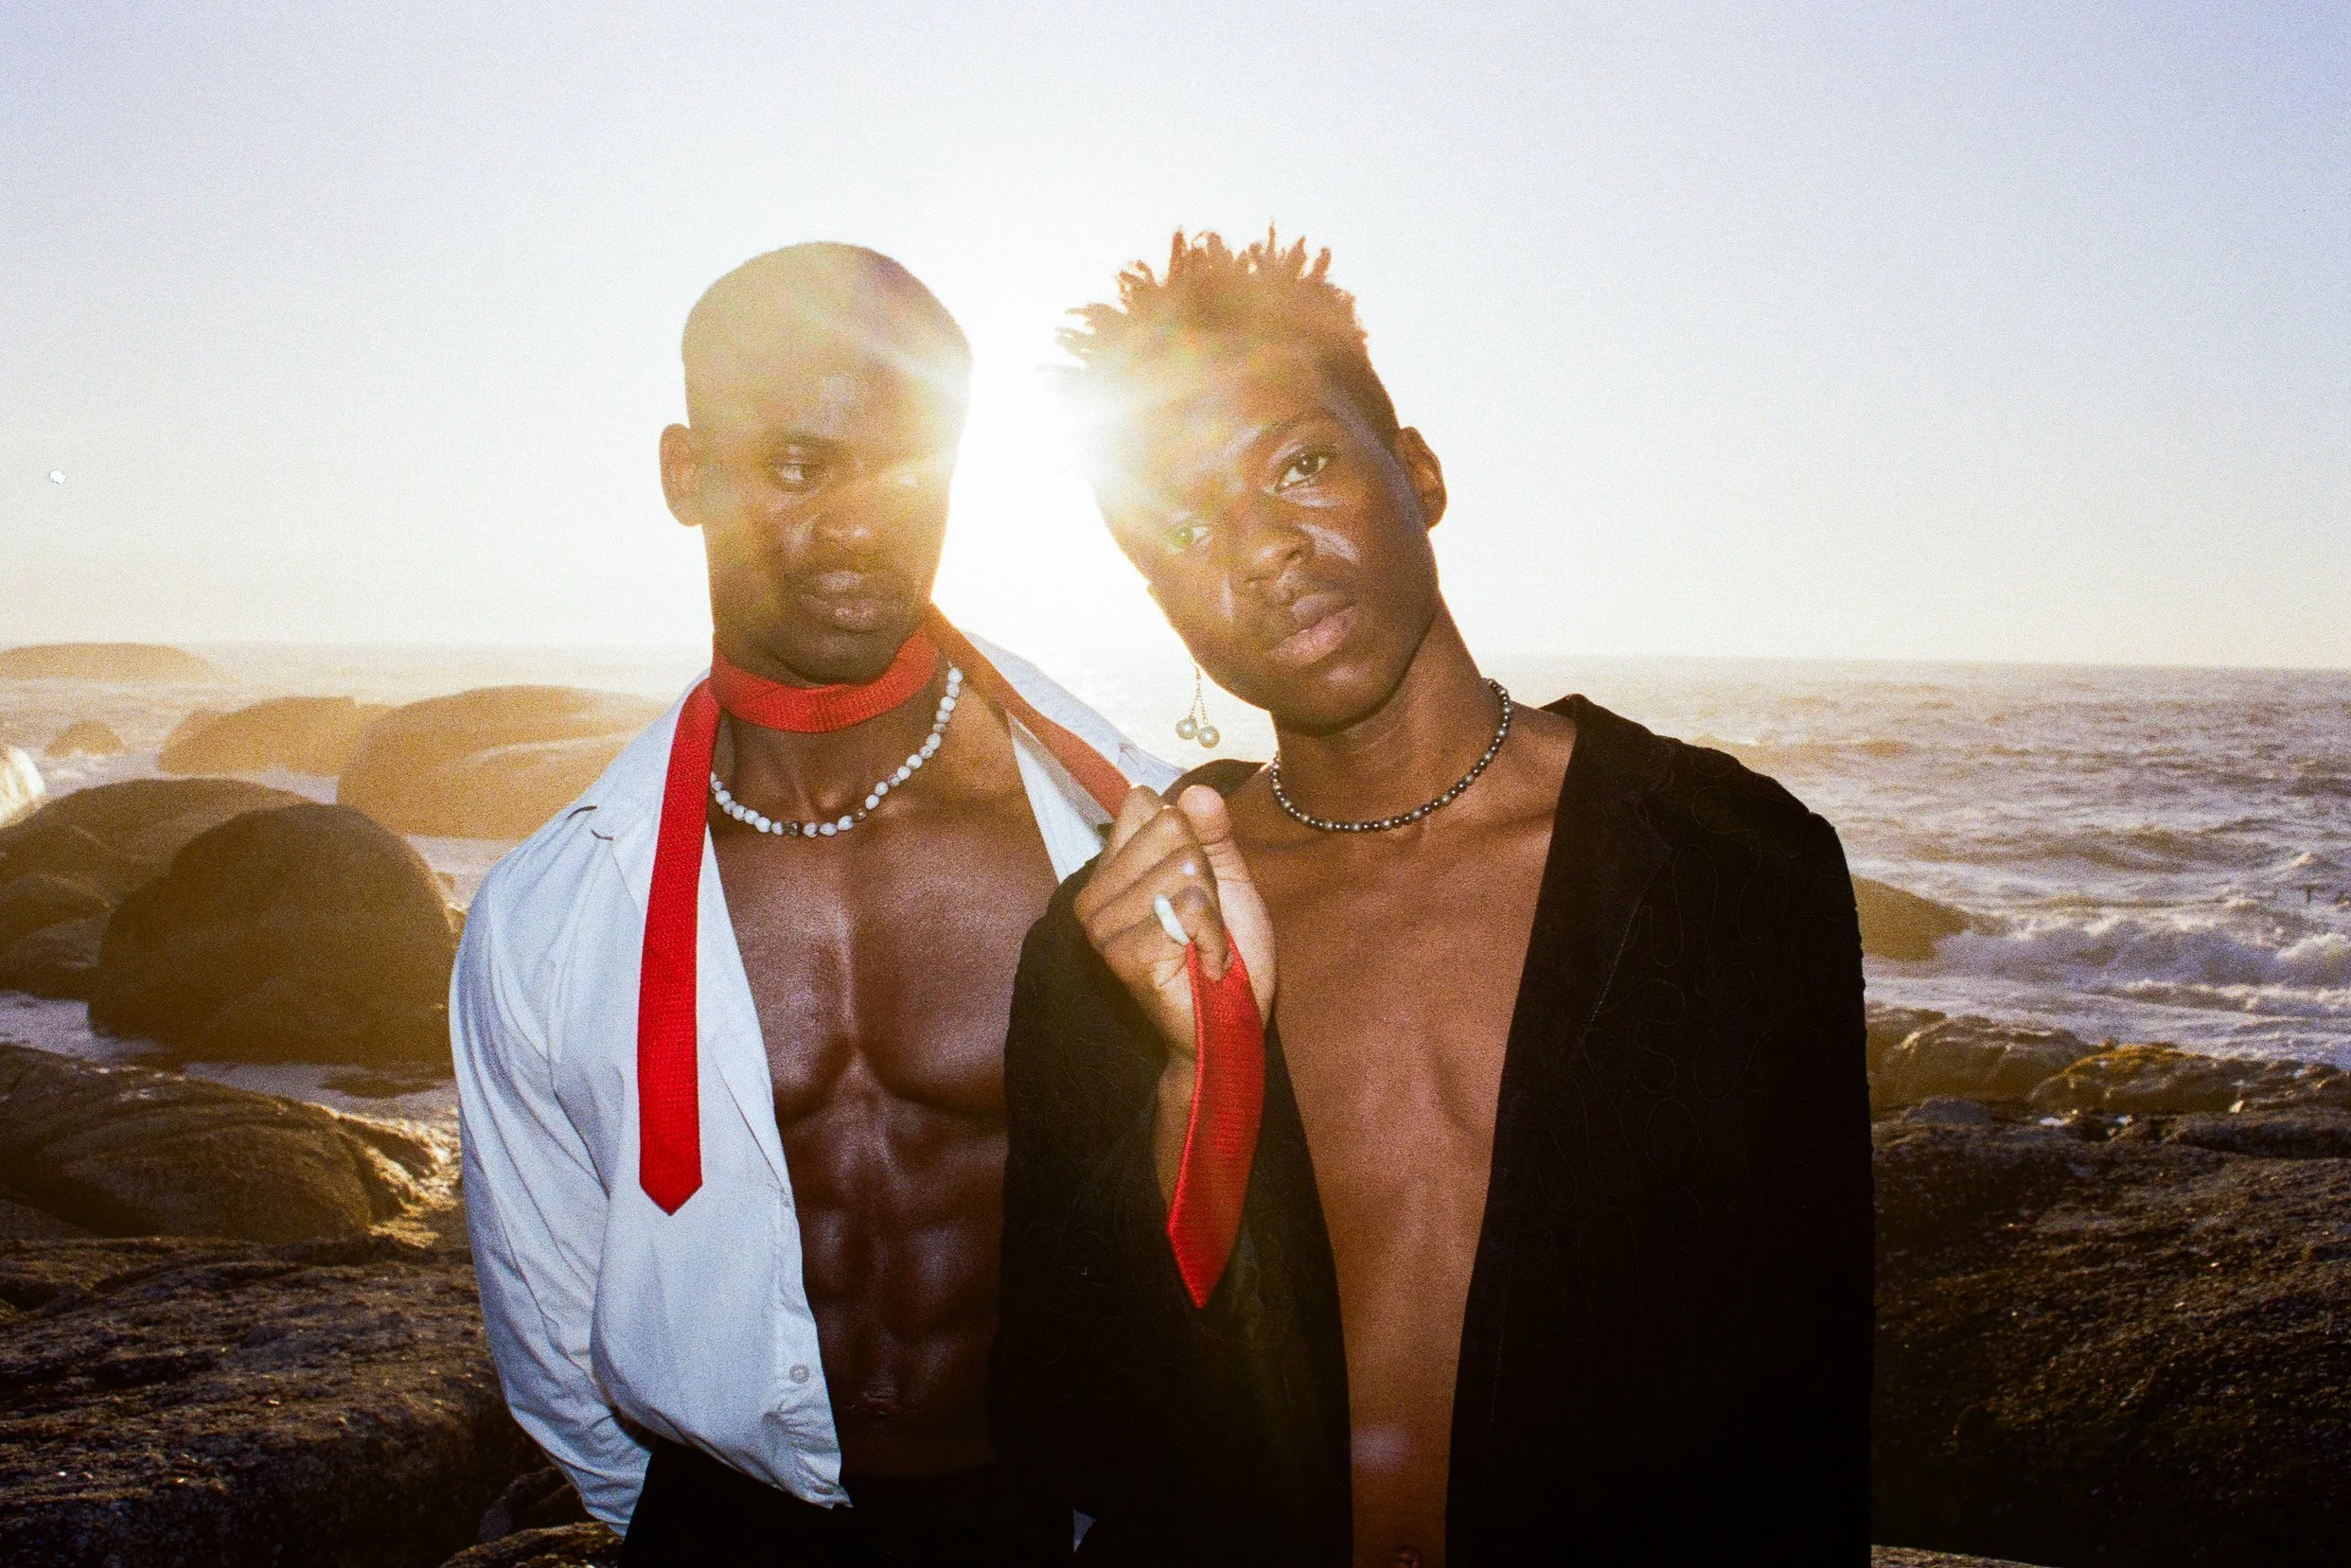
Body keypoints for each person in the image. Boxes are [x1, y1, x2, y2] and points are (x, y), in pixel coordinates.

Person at [993, 232, 1874, 1565]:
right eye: (1184, 527)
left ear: (1418, 472)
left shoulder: (1727, 863)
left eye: (1301, 466)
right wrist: (1194, 1076)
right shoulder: (1111, 938)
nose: (1262, 551)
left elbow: (1802, 1411)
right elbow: (1068, 1428)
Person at [452, 243, 1174, 1564]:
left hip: (1056, 1521)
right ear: (687, 475)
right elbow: (548, 1310)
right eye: (799, 464)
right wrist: (664, 1521)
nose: (861, 524)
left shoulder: (1132, 834)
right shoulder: (552, 917)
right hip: (732, 1526)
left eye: (911, 468)